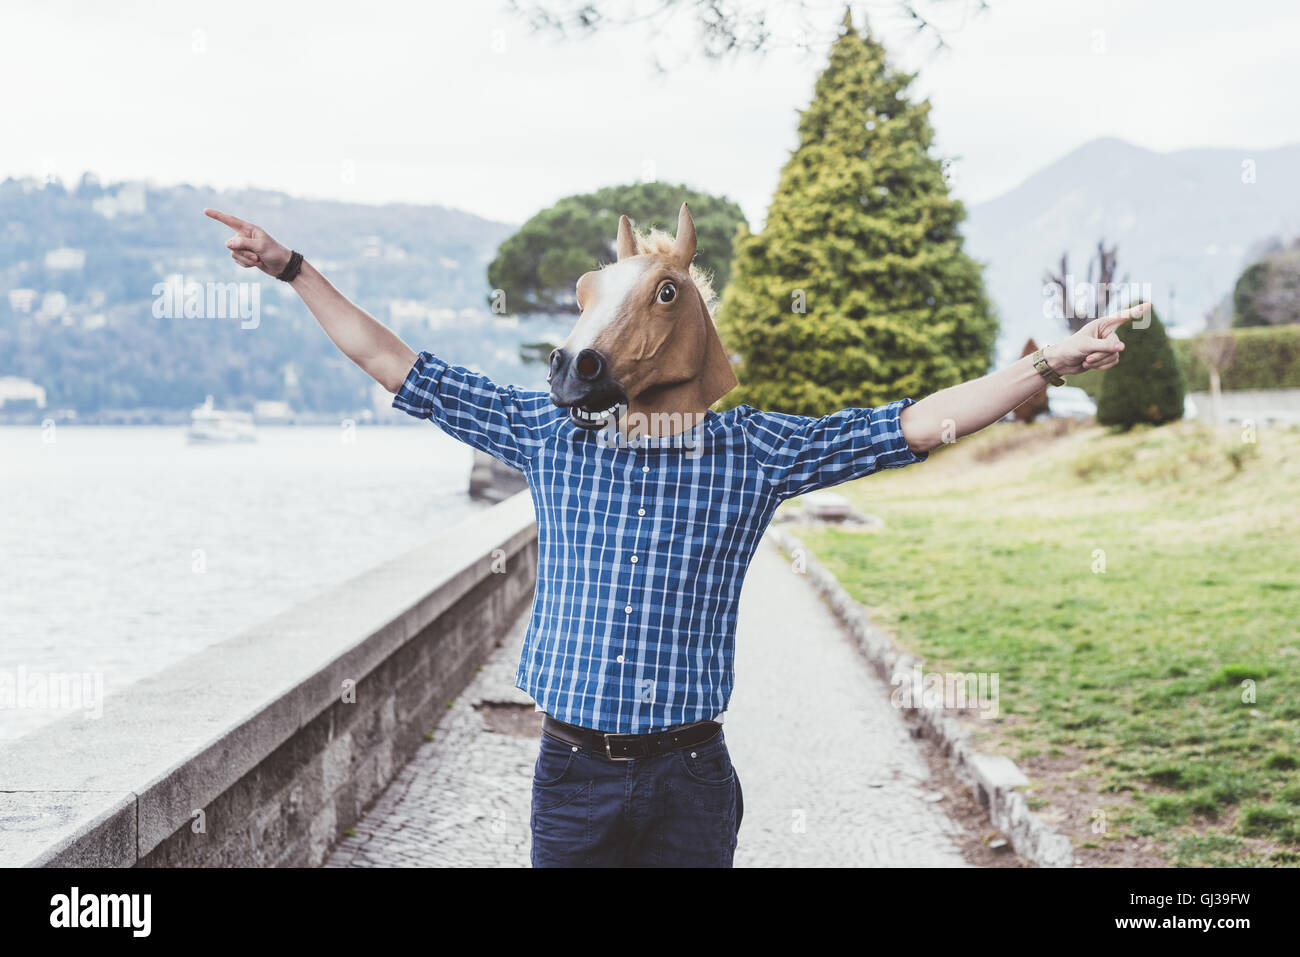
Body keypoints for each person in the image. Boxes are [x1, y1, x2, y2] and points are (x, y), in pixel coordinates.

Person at [204, 206, 1146, 867]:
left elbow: (912, 424)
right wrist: (293, 270)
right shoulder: (551, 435)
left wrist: (1046, 365)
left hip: (692, 771)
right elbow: (393, 361)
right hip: (571, 769)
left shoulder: (753, 450)